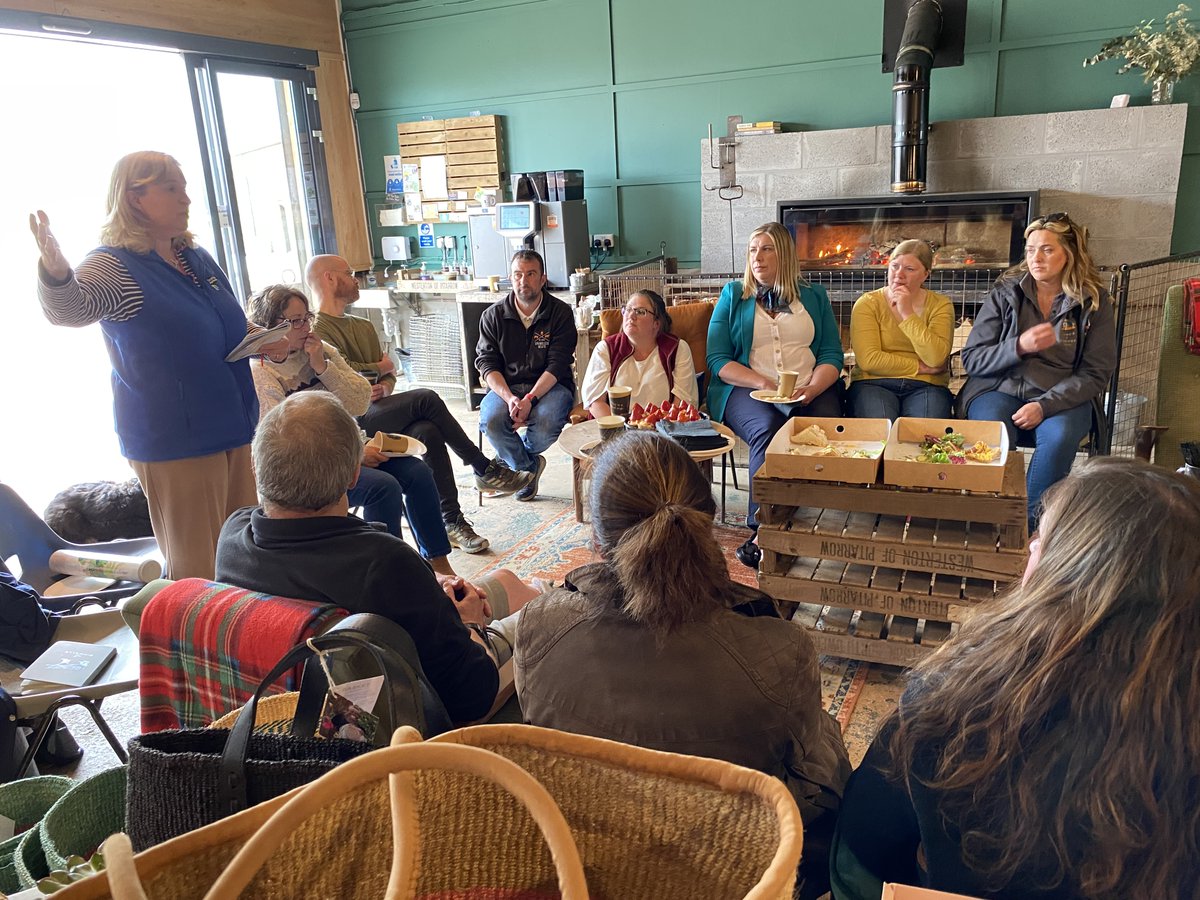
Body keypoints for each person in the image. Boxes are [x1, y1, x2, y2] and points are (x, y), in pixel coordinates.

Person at [831, 458, 1200, 900]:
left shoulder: (954, 704)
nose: (1029, 546)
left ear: (1066, 578)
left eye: (1042, 539)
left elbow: (863, 851)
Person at [515, 430, 851, 900]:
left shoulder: (539, 626)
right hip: (726, 874)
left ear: (595, 534)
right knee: (826, 742)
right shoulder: (780, 650)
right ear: (707, 522)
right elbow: (813, 781)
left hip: (586, 867)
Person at [30, 151, 286, 580]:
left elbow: (229, 323)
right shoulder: (115, 263)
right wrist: (56, 273)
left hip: (232, 427)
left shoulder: (192, 256)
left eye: (183, 187)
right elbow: (71, 309)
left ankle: (238, 641)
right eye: (171, 188)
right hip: (177, 440)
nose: (186, 198)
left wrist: (269, 340)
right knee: (198, 572)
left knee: (242, 557)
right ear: (133, 198)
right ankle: (195, 646)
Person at [215, 392, 536, 724]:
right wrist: (471, 624)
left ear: (256, 468)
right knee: (540, 612)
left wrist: (428, 583)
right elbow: (472, 695)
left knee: (507, 582)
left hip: (288, 700)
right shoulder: (385, 563)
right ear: (355, 475)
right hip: (414, 716)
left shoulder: (234, 537)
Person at [306, 254, 532, 553]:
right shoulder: (316, 330)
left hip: (377, 407)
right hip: (350, 422)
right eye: (348, 273)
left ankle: (452, 521)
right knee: (426, 398)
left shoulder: (361, 325)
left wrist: (385, 385)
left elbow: (390, 373)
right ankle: (483, 467)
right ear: (329, 278)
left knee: (428, 430)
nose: (356, 278)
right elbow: (348, 373)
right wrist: (377, 369)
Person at [246, 284, 460, 577]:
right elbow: (287, 445)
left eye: (306, 317)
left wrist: (322, 366)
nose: (305, 326)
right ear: (271, 329)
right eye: (294, 321)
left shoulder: (319, 348)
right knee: (383, 488)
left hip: (348, 446)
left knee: (417, 473)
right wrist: (356, 456)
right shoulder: (261, 371)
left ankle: (439, 564)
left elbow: (360, 402)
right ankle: (389, 574)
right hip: (311, 469)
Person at [958, 212, 1116, 531]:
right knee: (993, 432)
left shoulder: (1093, 302)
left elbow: (1096, 372)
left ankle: (1029, 530)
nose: (1036, 258)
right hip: (997, 388)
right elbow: (973, 359)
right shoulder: (1005, 292)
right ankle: (990, 521)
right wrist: (1018, 345)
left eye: (1047, 249)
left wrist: (1045, 406)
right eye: (1030, 250)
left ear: (1069, 254)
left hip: (1061, 395)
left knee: (1058, 438)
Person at [706, 221, 845, 567]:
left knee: (823, 429)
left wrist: (812, 388)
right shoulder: (733, 295)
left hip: (808, 387)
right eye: (753, 250)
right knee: (767, 430)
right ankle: (763, 527)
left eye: (767, 249)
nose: (758, 257)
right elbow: (717, 359)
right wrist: (763, 384)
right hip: (747, 388)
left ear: (784, 254)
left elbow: (831, 353)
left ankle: (814, 520)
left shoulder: (814, 296)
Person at [475, 249, 576, 500]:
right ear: (511, 278)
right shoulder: (492, 316)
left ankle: (511, 458)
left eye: (531, 274)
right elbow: (487, 364)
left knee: (545, 424)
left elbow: (557, 364)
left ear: (543, 279)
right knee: (491, 421)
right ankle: (527, 468)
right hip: (506, 389)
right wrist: (510, 398)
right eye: (518, 274)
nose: (524, 280)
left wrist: (530, 398)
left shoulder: (561, 313)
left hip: (551, 387)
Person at [847, 239, 953, 420]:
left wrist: (907, 314)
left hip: (927, 385)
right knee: (880, 430)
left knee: (922, 435)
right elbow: (869, 360)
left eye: (909, 269)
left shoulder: (940, 305)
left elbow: (935, 358)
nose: (899, 275)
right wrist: (920, 367)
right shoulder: (868, 303)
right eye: (894, 266)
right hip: (872, 383)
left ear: (926, 274)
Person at [579, 289, 699, 418]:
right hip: (616, 430)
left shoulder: (677, 349)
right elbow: (595, 402)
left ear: (657, 323)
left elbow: (683, 401)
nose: (631, 316)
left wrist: (656, 428)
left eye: (640, 311)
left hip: (664, 429)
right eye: (628, 309)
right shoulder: (606, 349)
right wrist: (621, 432)